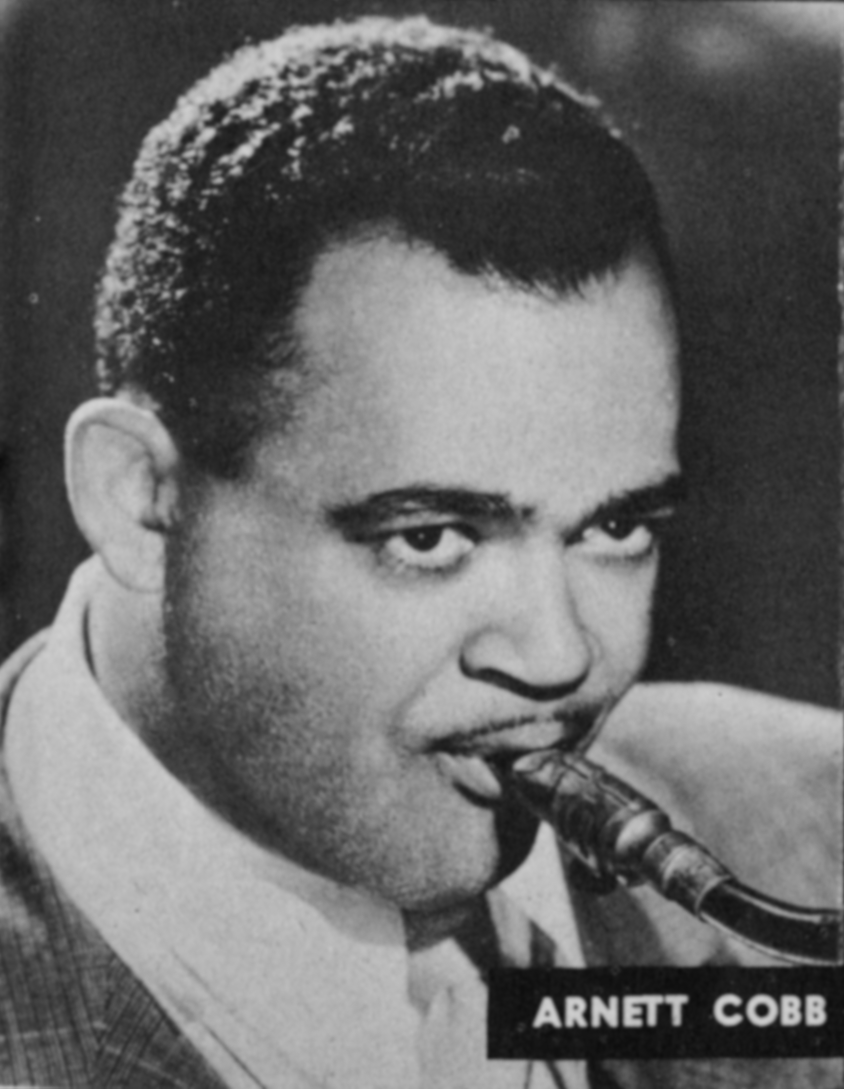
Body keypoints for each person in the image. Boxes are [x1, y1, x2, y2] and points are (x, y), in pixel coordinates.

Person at [0, 15, 839, 1089]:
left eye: (615, 528)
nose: (559, 657)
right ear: (139, 499)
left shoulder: (820, 818)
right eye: (431, 537)